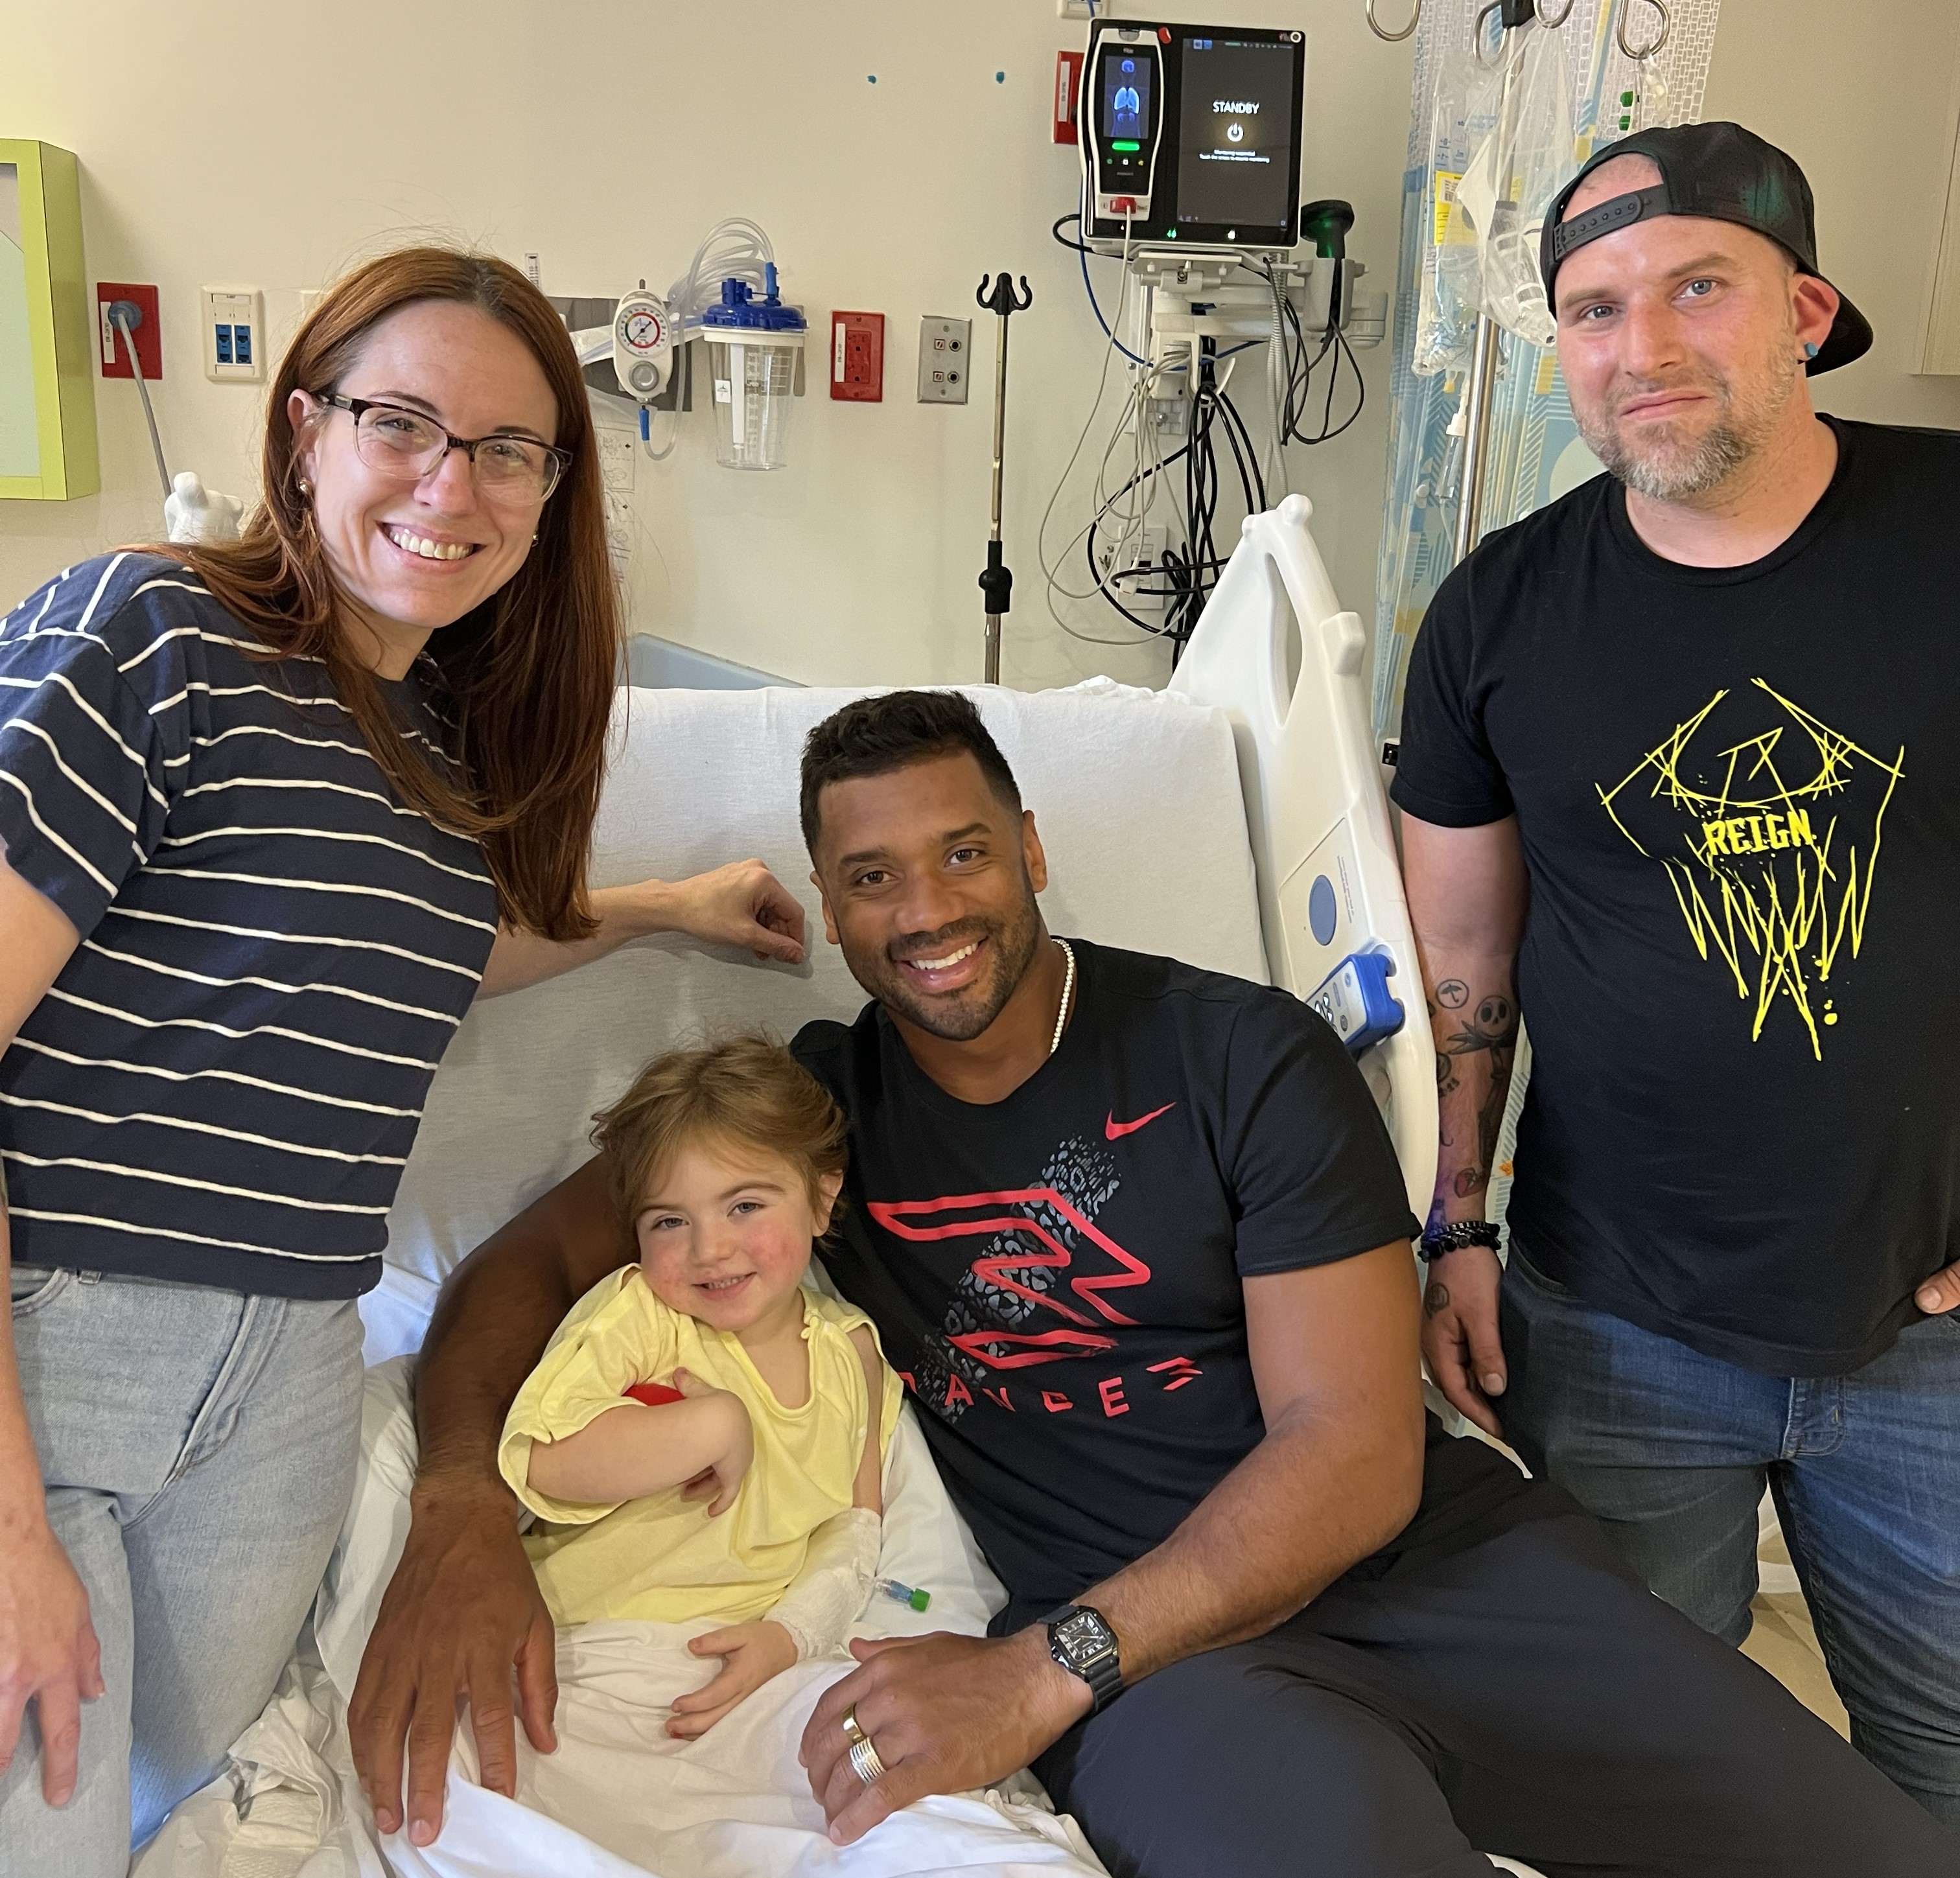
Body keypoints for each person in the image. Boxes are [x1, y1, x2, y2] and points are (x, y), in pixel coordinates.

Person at [353, 689, 1954, 1875]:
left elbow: (1353, 1449)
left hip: (1433, 1579)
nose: (928, 913)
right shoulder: (806, 1130)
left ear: (1033, 848)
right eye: (874, 878)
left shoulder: (1238, 1055)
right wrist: (460, 1506)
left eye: (964, 851)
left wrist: (1040, 1677)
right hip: (1184, 1685)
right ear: (829, 906)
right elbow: (514, 1270)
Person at [0, 246, 809, 1877]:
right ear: (305, 430)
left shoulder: (441, 760)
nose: (457, 486)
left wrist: (668, 910)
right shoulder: (149, 631)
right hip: (59, 1347)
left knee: (190, 1805)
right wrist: (9, 1513)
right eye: (403, 424)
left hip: (290, 1380)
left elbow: (440, 943)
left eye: (510, 450)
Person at [1394, 119, 1960, 1825]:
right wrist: (1453, 1223)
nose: (1639, 349)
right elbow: (1463, 965)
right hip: (1614, 1319)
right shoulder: (1496, 616)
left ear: (1805, 307)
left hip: (1932, 1333)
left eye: (1695, 288)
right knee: (1666, 1790)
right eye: (1591, 308)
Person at [499, 1034, 898, 1735]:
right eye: (670, 1221)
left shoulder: (853, 1349)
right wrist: (713, 1427)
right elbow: (540, 1461)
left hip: (753, 1665)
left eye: (745, 1206)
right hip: (589, 1648)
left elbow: (855, 1527)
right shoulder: (643, 1315)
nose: (709, 1249)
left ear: (821, 1195)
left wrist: (794, 1634)